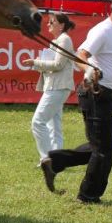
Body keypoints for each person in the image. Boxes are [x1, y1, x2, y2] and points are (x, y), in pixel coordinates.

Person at [40, 0, 112, 203]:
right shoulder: (103, 31)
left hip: (106, 95)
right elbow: (80, 55)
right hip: (95, 92)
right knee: (104, 151)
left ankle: (55, 161)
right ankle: (88, 195)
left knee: (98, 147)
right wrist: (89, 69)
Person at [22, 12, 76, 167]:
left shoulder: (64, 40)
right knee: (54, 125)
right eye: (49, 22)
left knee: (38, 122)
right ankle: (57, 159)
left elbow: (58, 65)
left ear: (62, 25)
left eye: (52, 22)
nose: (48, 25)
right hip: (54, 86)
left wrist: (36, 63)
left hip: (57, 87)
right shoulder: (56, 41)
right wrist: (39, 63)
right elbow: (53, 64)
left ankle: (47, 159)